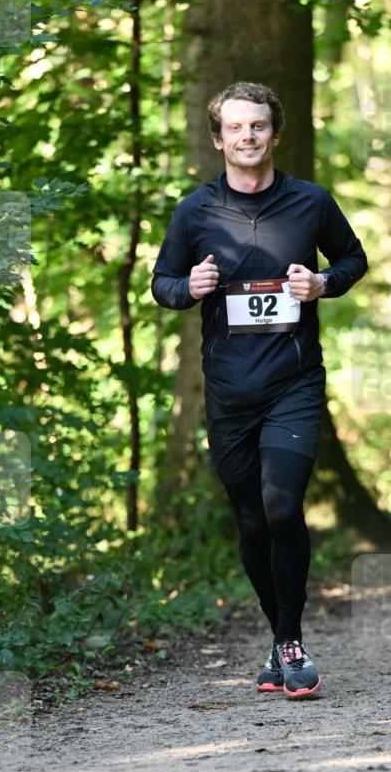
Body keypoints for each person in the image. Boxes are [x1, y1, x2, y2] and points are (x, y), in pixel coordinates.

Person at [151, 81, 367, 700]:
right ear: (218, 139)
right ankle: (279, 638)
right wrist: (188, 287)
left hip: (293, 383)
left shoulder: (310, 201)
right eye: (236, 127)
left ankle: (291, 641)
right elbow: (162, 283)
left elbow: (352, 260)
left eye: (258, 126)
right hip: (229, 392)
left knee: (282, 507)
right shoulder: (195, 211)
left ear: (274, 135)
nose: (247, 136)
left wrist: (322, 284)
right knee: (251, 521)